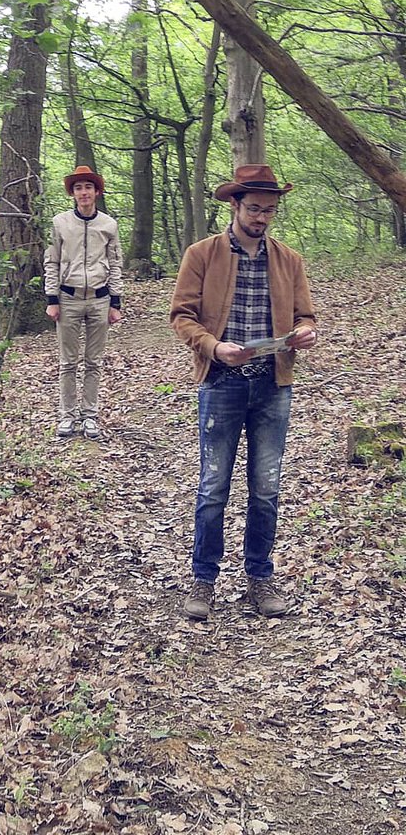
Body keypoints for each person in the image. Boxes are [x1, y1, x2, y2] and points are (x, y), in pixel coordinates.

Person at [170, 164, 318, 620]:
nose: (261, 218)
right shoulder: (203, 254)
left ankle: (259, 579)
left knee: (266, 488)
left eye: (269, 210)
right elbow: (181, 316)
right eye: (254, 208)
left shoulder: (288, 259)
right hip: (221, 384)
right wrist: (214, 347)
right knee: (214, 487)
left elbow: (306, 316)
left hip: (273, 385)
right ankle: (203, 581)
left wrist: (306, 332)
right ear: (235, 205)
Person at [43, 165, 123, 437]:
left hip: (100, 299)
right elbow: (51, 261)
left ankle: (90, 415)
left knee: (94, 361)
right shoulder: (60, 223)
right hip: (68, 299)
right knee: (68, 362)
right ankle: (67, 416)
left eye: (88, 187)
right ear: (72, 193)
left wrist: (116, 302)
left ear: (97, 191)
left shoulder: (108, 224)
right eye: (78, 188)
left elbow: (115, 263)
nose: (84, 192)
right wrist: (52, 298)